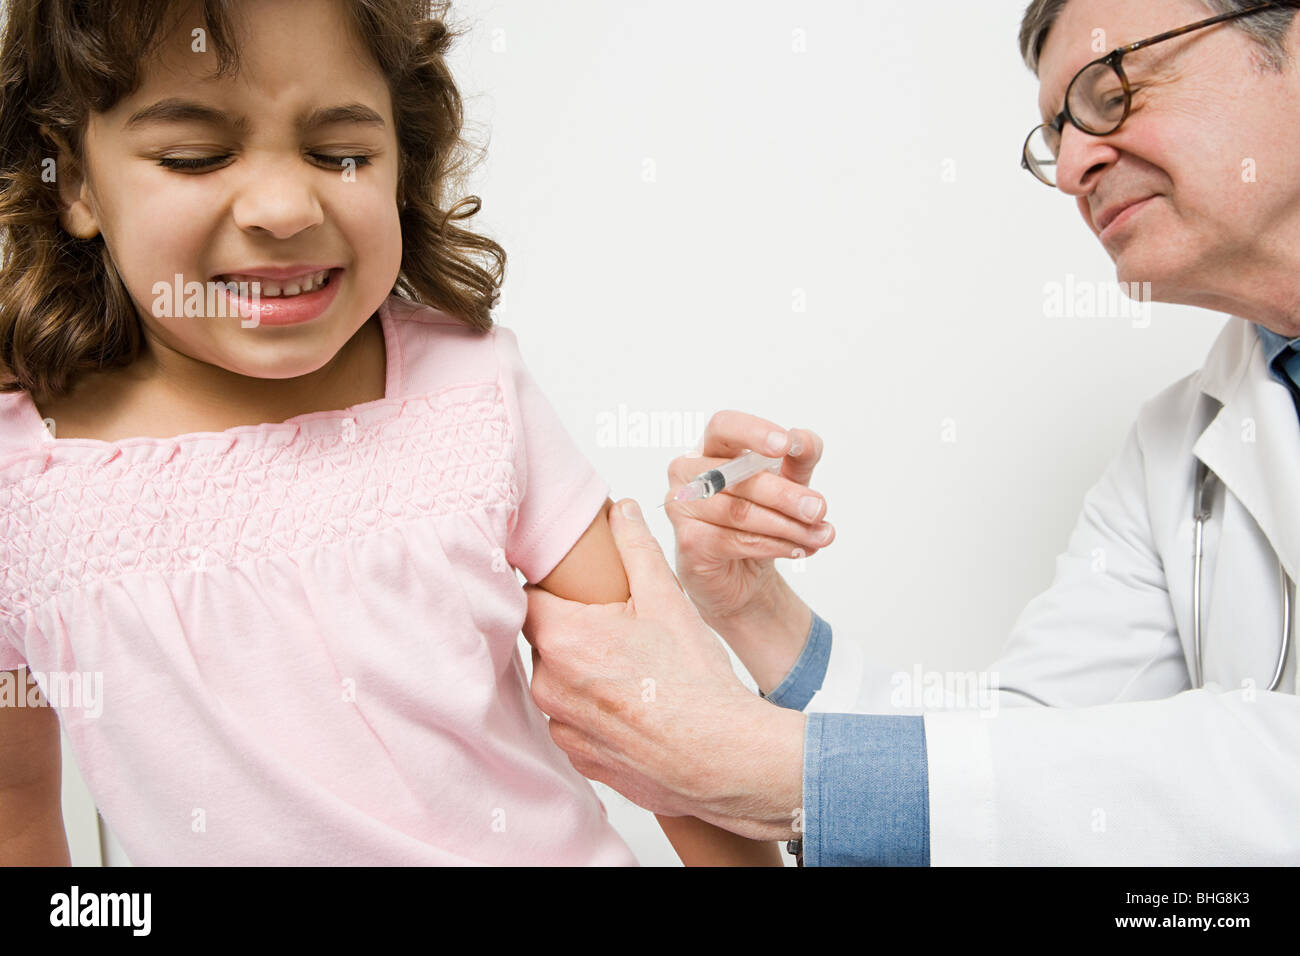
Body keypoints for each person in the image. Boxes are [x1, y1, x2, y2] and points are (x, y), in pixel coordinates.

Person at [0, 0, 781, 866]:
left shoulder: (473, 388)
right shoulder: (22, 480)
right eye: (196, 156)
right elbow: (17, 812)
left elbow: (666, 726)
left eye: (342, 154)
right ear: (73, 180)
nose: (283, 207)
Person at [522, 0, 1300, 865]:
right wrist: (754, 608)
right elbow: (1031, 747)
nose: (1077, 162)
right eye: (1056, 132)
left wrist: (768, 767)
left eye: (1111, 90)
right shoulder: (1175, 444)